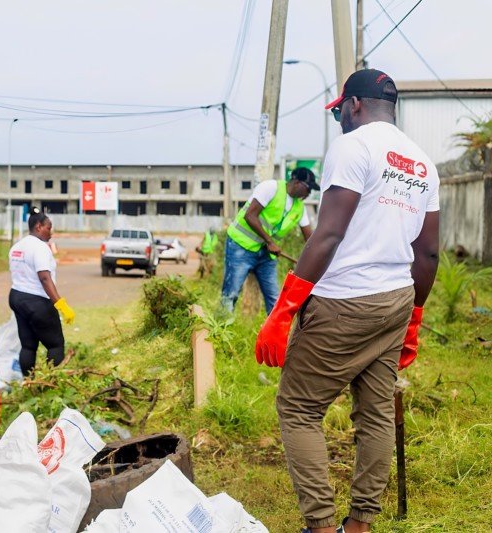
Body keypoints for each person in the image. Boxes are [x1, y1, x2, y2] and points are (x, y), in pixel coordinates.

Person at [255, 69, 440, 533]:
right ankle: (359, 525)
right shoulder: (422, 164)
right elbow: (429, 252)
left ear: (355, 104)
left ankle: (320, 526)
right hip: (395, 299)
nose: (339, 118)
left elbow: (328, 234)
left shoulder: (353, 146)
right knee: (375, 414)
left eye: (340, 110)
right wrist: (413, 317)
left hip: (345, 302)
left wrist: (282, 312)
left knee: (299, 408)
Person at [221, 168, 318, 314]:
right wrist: (270, 242)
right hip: (240, 247)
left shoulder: (300, 208)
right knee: (231, 294)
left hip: (266, 256)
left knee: (274, 300)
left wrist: (312, 261)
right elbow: (250, 216)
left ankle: (271, 335)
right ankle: (221, 329)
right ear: (297, 183)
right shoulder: (271, 188)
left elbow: (309, 239)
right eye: (308, 188)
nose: (309, 193)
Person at [8, 207, 75, 377]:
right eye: (48, 227)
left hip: (17, 297)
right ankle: (52, 381)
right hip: (37, 302)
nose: (50, 233)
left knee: (28, 345)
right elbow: (44, 277)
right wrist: (60, 304)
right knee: (55, 345)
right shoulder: (40, 248)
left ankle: (28, 381)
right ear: (38, 226)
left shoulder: (17, 247)